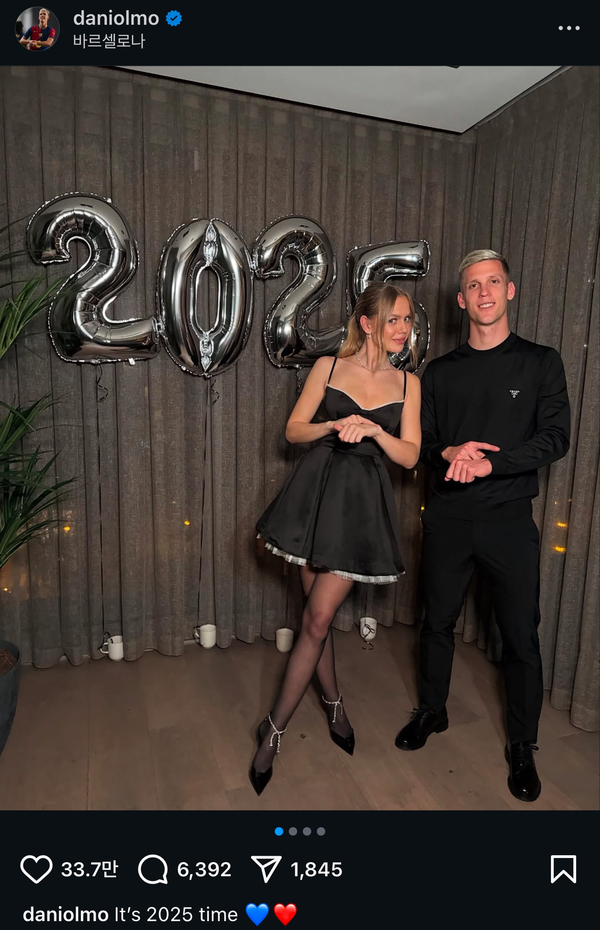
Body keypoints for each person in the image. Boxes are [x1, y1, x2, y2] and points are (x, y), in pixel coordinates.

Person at [394, 249, 570, 803]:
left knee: (520, 634)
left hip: (509, 517)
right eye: (474, 285)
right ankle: (433, 710)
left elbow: (555, 438)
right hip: (448, 515)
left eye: (494, 282)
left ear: (509, 291)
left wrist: (495, 464)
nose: (485, 292)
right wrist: (448, 452)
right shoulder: (440, 372)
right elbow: (422, 445)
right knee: (435, 622)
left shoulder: (541, 363)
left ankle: (522, 744)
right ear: (461, 300)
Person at [252, 281, 422, 795]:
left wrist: (375, 432)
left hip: (359, 508)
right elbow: (293, 430)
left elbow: (411, 456)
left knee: (318, 619)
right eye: (393, 319)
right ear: (367, 323)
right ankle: (335, 705)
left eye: (408, 320)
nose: (403, 329)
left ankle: (273, 730)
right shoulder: (327, 367)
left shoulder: (409, 383)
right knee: (315, 621)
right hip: (315, 496)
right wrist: (332, 427)